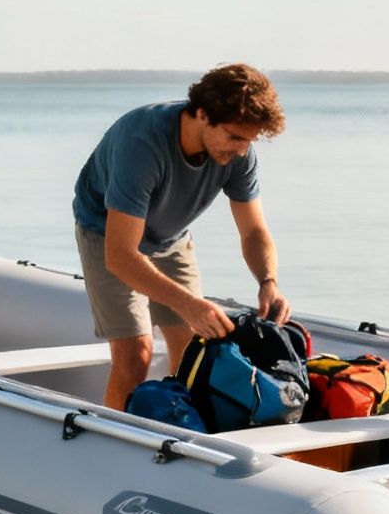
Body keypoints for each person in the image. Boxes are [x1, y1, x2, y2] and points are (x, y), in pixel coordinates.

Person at [73, 63, 292, 410]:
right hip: (107, 235)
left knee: (194, 351)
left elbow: (253, 230)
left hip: (171, 238)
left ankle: (176, 434)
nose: (241, 150)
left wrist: (268, 281)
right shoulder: (142, 143)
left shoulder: (240, 154)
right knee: (135, 355)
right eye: (235, 137)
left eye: (248, 141)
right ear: (202, 114)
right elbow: (120, 255)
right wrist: (189, 304)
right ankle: (114, 441)